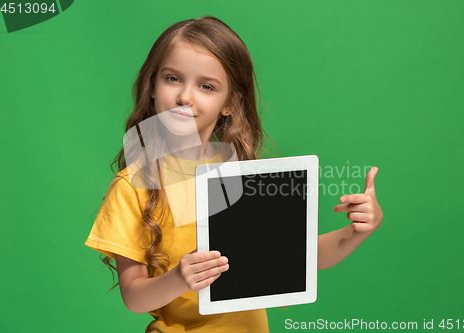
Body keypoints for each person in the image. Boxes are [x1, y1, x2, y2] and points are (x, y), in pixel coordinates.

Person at [85, 16, 383, 333]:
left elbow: (304, 257)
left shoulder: (244, 178)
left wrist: (358, 230)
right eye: (172, 78)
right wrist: (179, 278)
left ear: (229, 103)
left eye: (206, 86)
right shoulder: (133, 186)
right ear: (152, 86)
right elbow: (134, 297)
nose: (185, 97)